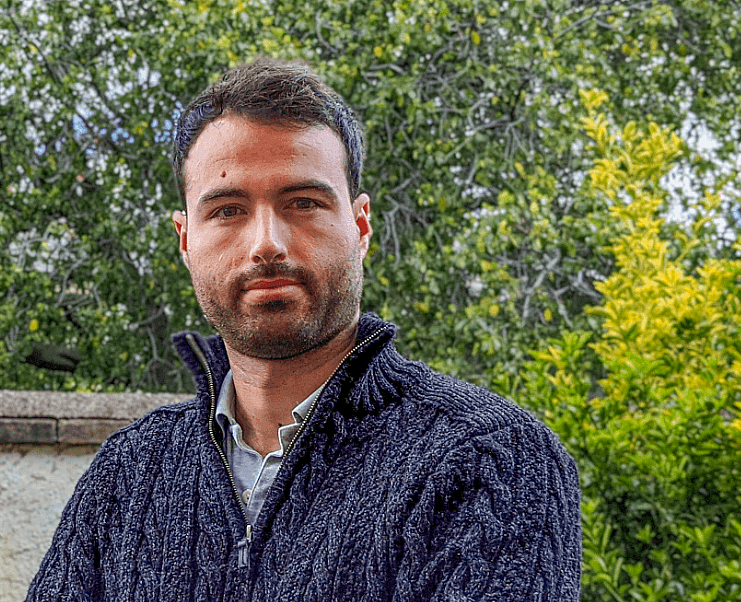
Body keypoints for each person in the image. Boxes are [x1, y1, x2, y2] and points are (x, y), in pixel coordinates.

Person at [28, 58, 581, 601]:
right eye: (227, 210)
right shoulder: (129, 472)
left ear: (360, 226)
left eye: (304, 202)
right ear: (185, 239)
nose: (266, 242)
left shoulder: (490, 460)